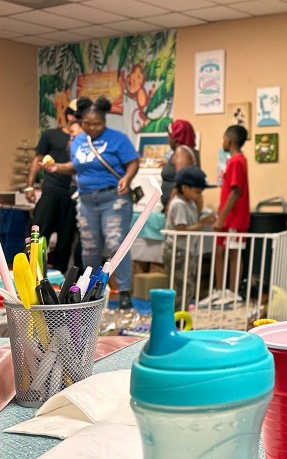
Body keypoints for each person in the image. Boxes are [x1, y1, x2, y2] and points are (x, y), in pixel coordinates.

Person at [50, 96, 139, 310]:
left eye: (97, 123)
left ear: (104, 120)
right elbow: (77, 166)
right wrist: (57, 168)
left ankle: (125, 292)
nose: (92, 128)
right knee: (89, 248)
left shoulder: (118, 139)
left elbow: (133, 162)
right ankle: (92, 292)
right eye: (87, 124)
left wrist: (126, 179)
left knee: (116, 244)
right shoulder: (79, 140)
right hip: (86, 200)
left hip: (113, 199)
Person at [24, 99, 84, 271]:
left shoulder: (84, 140)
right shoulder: (51, 135)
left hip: (72, 195)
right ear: (68, 115)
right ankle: (31, 273)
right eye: (73, 114)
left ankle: (59, 279)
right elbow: (37, 160)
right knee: (38, 235)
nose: (75, 118)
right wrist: (29, 186)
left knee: (65, 242)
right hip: (51, 191)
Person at [163, 165, 216, 310]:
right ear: (185, 188)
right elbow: (182, 230)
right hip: (177, 251)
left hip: (186, 250)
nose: (199, 195)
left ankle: (181, 313)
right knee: (180, 286)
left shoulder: (190, 203)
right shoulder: (179, 204)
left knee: (188, 285)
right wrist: (203, 223)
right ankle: (176, 317)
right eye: (197, 192)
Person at [211, 124, 250, 305]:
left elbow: (236, 191)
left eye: (224, 137)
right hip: (227, 217)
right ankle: (220, 290)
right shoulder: (234, 160)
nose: (223, 141)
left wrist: (221, 217)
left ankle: (233, 292)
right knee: (219, 251)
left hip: (234, 218)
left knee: (234, 254)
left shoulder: (236, 161)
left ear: (230, 139)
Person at [160, 119, 201, 210]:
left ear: (176, 137)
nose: (168, 138)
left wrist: (170, 205)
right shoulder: (192, 152)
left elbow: (181, 181)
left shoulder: (181, 151)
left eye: (170, 135)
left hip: (177, 206)